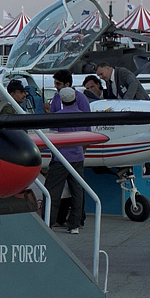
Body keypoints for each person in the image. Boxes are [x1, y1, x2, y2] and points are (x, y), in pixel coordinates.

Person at [44, 69, 91, 234]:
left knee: (52, 191)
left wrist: (50, 115)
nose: (55, 87)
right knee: (77, 191)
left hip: (60, 157)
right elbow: (87, 128)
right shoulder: (80, 109)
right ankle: (75, 224)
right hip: (77, 155)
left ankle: (47, 221)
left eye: (57, 84)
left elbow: (53, 132)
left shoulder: (58, 114)